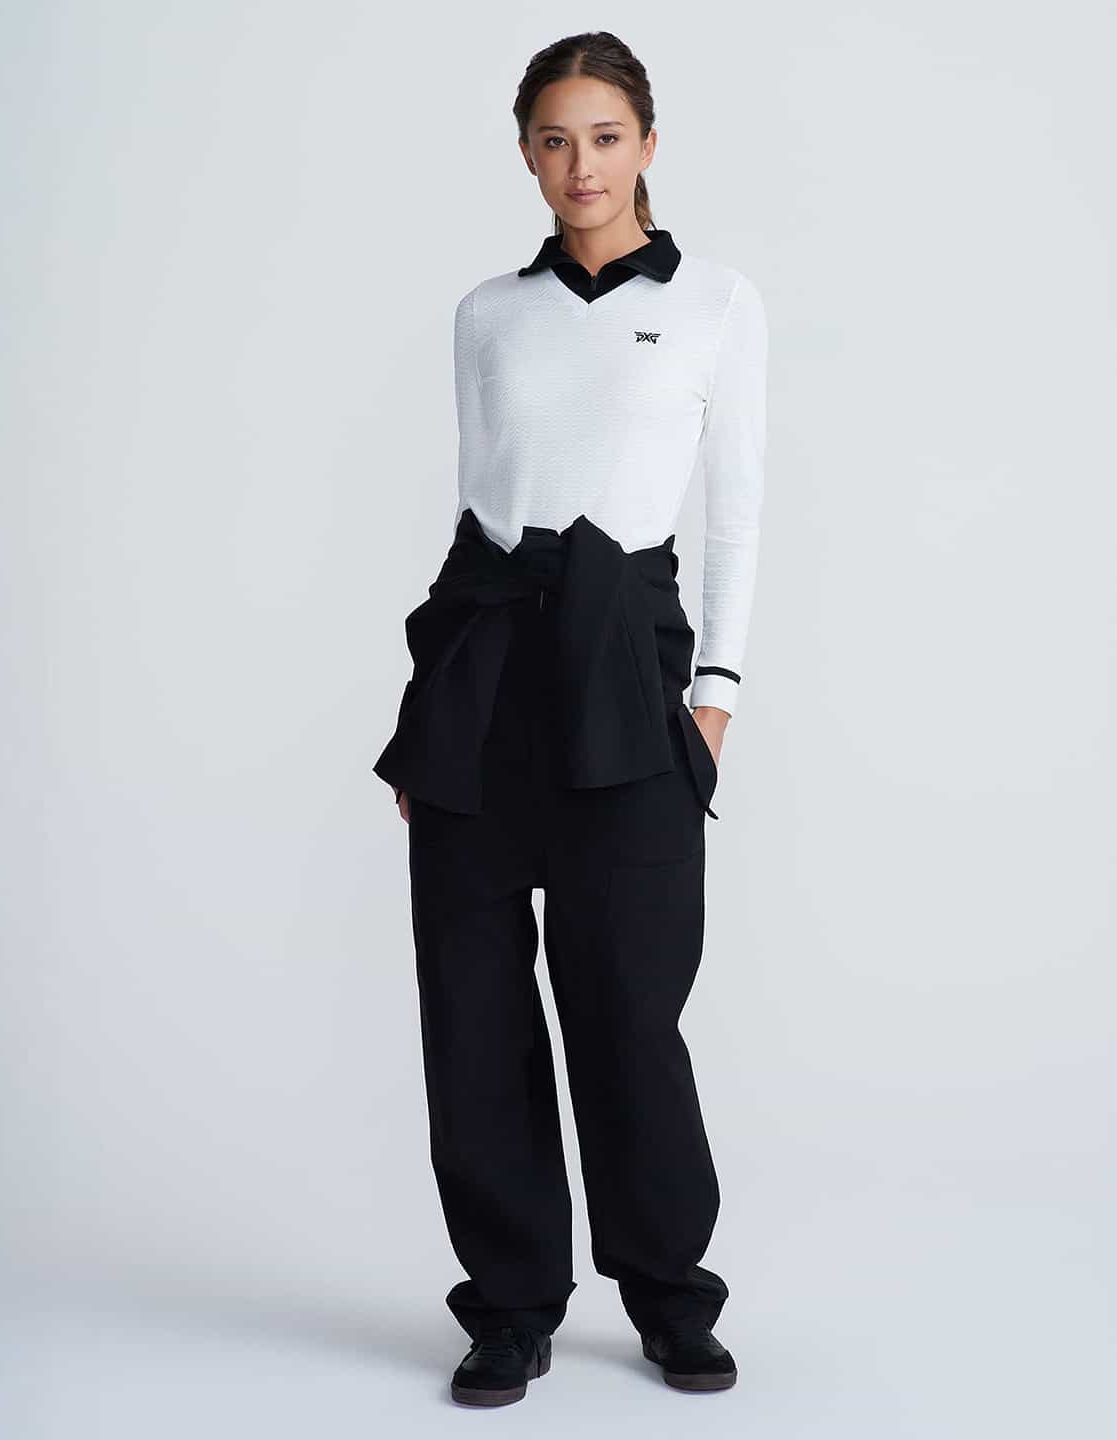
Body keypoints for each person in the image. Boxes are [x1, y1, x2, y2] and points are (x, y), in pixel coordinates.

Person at [373, 30, 768, 1407]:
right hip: (486, 666)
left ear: (647, 144)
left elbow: (737, 519)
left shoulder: (717, 303)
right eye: (554, 140)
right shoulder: (487, 314)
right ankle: (509, 1305)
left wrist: (713, 699)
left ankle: (669, 1293)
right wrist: (432, 707)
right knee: (472, 1008)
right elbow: (477, 506)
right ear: (528, 155)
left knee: (628, 1005)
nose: (580, 166)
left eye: (604, 137)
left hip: (628, 662)